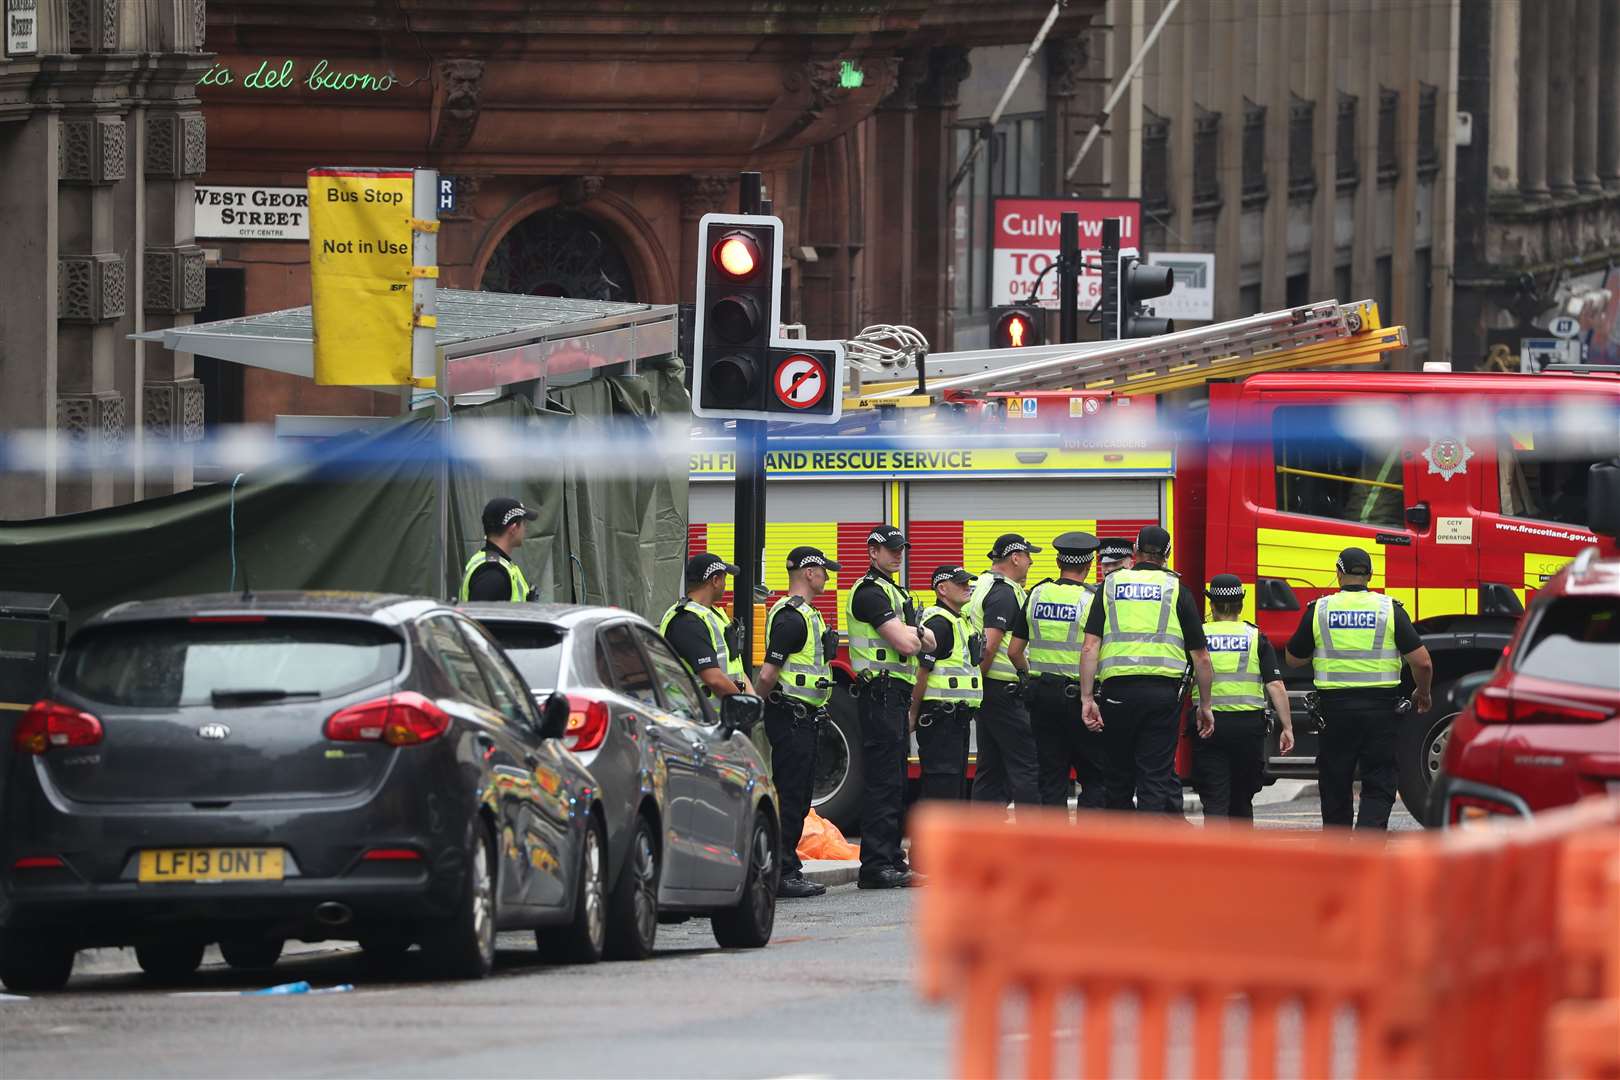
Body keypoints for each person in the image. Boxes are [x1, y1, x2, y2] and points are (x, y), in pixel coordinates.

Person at [1285, 546, 1433, 830]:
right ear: (1370, 575)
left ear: (1338, 574)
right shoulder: (1388, 609)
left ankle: (1339, 856)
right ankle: (1369, 849)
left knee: (1335, 781)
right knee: (1379, 781)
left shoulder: (1321, 609)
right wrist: (1422, 692)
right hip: (1381, 711)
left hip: (1334, 712)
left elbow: (1293, 659)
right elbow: (1423, 663)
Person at [1079, 525, 1213, 814]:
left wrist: (1087, 698)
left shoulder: (1111, 585)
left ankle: (1118, 852)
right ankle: (1148, 854)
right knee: (1155, 777)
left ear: (1135, 552)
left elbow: (1090, 646)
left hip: (1116, 694)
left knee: (1117, 777)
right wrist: (1205, 704)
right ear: (1167, 555)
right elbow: (1201, 657)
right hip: (1162, 696)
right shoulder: (1177, 589)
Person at [846, 526, 933, 889]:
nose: (898, 554)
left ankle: (891, 859)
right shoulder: (869, 592)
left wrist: (916, 634)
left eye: (901, 549)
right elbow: (912, 643)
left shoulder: (895, 592)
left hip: (894, 694)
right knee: (883, 782)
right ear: (872, 552)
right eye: (891, 549)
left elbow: (932, 641)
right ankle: (876, 865)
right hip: (880, 693)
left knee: (896, 780)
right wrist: (915, 633)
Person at [754, 546, 843, 899]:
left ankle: (787, 867)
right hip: (790, 715)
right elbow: (767, 672)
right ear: (808, 572)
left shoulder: (807, 615)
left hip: (804, 717)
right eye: (823, 570)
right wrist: (753, 707)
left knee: (798, 794)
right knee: (790, 795)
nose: (827, 576)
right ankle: (781, 871)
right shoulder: (791, 617)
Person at [1192, 574, 1294, 823]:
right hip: (1248, 727)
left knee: (1214, 798)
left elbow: (1185, 679)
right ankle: (1242, 858)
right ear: (1241, 604)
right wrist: (1287, 727)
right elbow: (1276, 685)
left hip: (1208, 724)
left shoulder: (1198, 636)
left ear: (1211, 605)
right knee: (1241, 798)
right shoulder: (1255, 637)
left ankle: (1215, 859)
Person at [1019, 531, 1104, 810]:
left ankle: (1050, 851)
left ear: (1058, 561)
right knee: (1094, 778)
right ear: (1089, 564)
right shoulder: (1093, 600)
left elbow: (1013, 651)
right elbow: (1093, 650)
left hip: (1042, 696)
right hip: (1081, 699)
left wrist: (1029, 676)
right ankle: (1085, 849)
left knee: (1050, 779)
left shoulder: (1036, 594)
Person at [963, 533, 1041, 812]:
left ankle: (983, 844)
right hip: (1003, 692)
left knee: (991, 769)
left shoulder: (982, 584)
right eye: (1028, 555)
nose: (1031, 561)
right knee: (1026, 767)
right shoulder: (1004, 593)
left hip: (989, 691)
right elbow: (989, 645)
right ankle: (1032, 844)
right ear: (1015, 557)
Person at [908, 565, 983, 803]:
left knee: (954, 787)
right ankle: (930, 841)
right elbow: (922, 671)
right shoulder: (939, 623)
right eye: (960, 583)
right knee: (942, 788)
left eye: (967, 583)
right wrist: (912, 713)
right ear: (942, 589)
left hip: (954, 718)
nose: (967, 587)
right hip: (940, 718)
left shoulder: (958, 620)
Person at [658, 553, 751, 700]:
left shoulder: (713, 615)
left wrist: (753, 700)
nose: (726, 585)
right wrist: (743, 705)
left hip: (724, 716)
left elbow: (736, 665)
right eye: (724, 578)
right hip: (696, 718)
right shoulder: (687, 621)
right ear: (715, 580)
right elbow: (713, 679)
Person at [460, 497, 539, 602]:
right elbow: (484, 617)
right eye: (524, 523)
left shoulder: (491, 564)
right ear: (513, 529)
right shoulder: (492, 574)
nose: (525, 529)